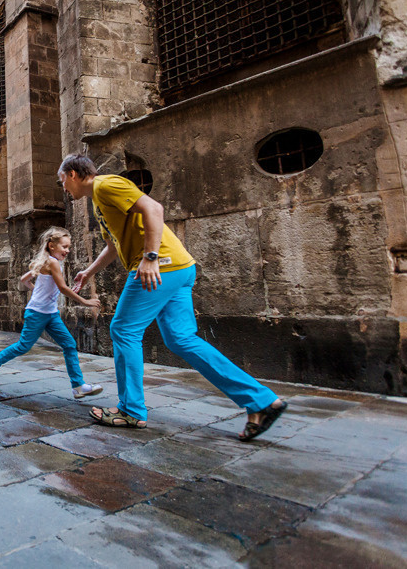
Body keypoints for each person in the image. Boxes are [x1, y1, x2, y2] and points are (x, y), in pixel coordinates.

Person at [60, 154, 287, 441]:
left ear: (72, 174)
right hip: (180, 267)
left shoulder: (105, 185)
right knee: (181, 338)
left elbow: (154, 208)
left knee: (123, 329)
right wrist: (88, 272)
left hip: (161, 266)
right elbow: (113, 246)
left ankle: (130, 411)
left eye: (63, 182)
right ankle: (261, 401)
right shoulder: (98, 200)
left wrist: (151, 257)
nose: (64, 190)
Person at [0, 227, 104, 400]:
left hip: (50, 314)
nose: (68, 250)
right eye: (65, 247)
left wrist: (37, 290)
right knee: (24, 346)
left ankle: (78, 386)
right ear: (51, 245)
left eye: (69, 247)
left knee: (69, 344)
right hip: (37, 313)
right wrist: (86, 302)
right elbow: (62, 288)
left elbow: (24, 279)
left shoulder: (46, 260)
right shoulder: (52, 262)